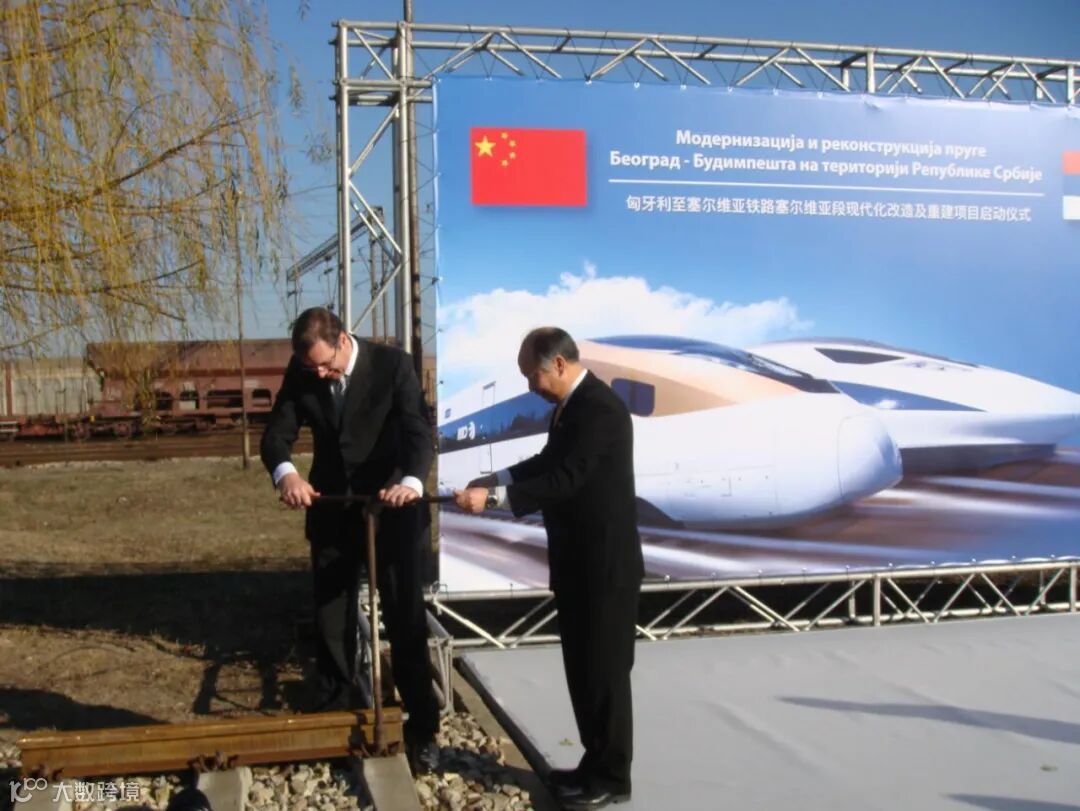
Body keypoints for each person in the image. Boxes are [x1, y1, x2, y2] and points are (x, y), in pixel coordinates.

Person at [455, 327, 643, 810]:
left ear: (558, 364)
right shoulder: (569, 408)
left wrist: (494, 499)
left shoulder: (600, 409)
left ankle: (612, 777)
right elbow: (546, 460)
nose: (530, 386)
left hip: (604, 567)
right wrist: (495, 478)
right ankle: (592, 762)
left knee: (604, 673)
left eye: (532, 376)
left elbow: (566, 478)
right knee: (582, 669)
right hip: (577, 563)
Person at [260, 306, 439, 773]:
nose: (320, 375)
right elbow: (275, 436)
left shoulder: (393, 365)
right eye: (312, 369)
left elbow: (418, 431)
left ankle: (423, 728)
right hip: (332, 512)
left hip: (391, 512)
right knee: (331, 619)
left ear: (342, 340)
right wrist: (286, 474)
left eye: (325, 366)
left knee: (405, 621)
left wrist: (411, 482)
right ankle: (335, 716)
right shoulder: (303, 371)